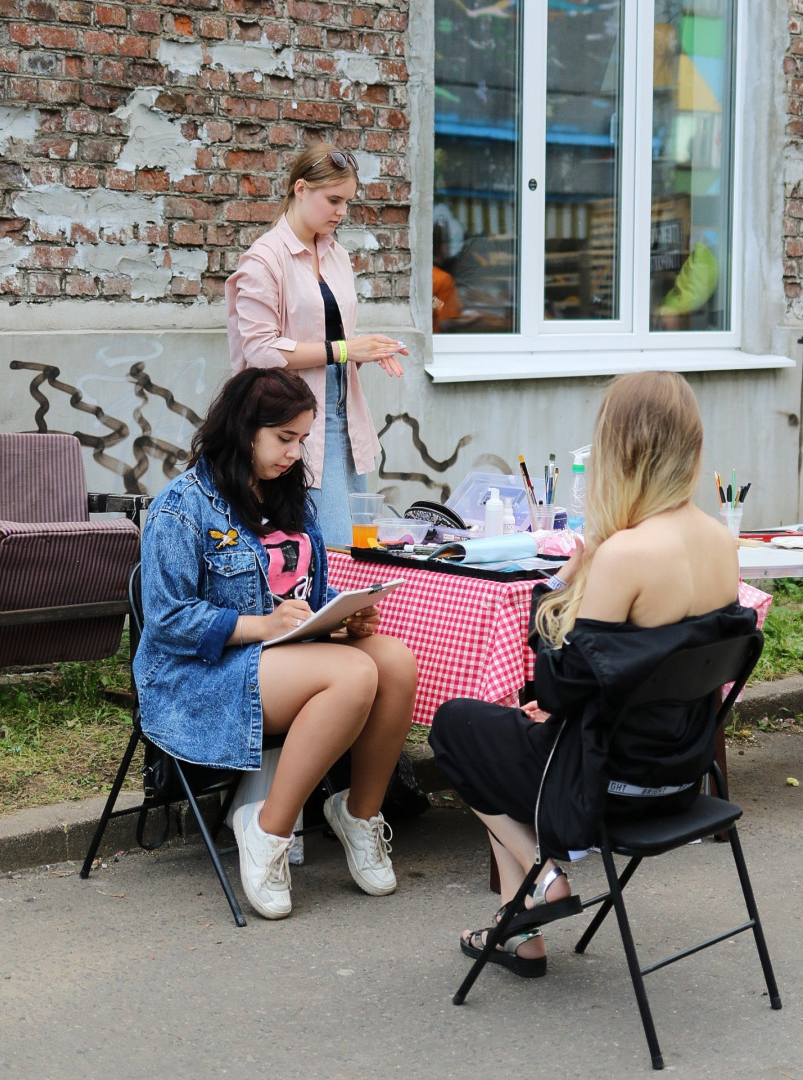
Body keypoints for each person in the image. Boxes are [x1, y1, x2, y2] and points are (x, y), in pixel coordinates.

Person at [429, 370, 757, 978]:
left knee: (455, 726)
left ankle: (544, 874)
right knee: (512, 736)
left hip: (602, 785)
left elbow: (555, 686)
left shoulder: (625, 553)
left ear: (620, 448)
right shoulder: (719, 540)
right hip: (681, 778)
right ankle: (521, 939)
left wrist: (561, 585)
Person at [133, 367, 418, 920]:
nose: (294, 453)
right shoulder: (182, 505)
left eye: (302, 440)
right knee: (354, 675)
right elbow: (167, 620)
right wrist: (263, 626)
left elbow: (302, 587)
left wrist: (340, 613)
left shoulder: (289, 496)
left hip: (279, 657)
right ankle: (267, 830)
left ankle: (359, 815)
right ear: (245, 429)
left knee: (395, 662)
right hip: (199, 677)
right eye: (284, 438)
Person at [225, 141, 408, 546]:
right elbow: (261, 351)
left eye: (347, 202)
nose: (342, 211)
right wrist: (347, 350)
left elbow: (334, 338)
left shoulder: (337, 255)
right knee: (330, 548)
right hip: (295, 427)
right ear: (301, 189)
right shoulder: (263, 259)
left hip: (345, 415)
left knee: (361, 547)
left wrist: (368, 350)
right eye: (334, 200)